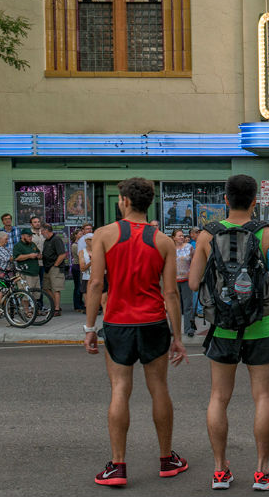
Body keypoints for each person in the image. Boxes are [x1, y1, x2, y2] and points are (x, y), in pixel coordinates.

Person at [189, 175, 269, 491]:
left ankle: (220, 471)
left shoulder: (208, 235)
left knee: (218, 397)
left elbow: (193, 283)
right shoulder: (268, 233)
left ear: (225, 200)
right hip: (259, 325)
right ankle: (262, 472)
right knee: (263, 396)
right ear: (253, 202)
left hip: (222, 326)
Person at [83, 177, 188, 486]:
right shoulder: (164, 241)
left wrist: (90, 327)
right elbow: (171, 294)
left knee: (119, 390)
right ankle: (167, 459)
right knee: (159, 388)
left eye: (119, 198)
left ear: (126, 201)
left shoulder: (103, 235)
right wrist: (178, 337)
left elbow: (96, 284)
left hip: (118, 323)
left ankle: (118, 465)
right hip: (154, 322)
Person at [172, 229, 195, 338]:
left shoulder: (189, 247)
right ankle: (174, 329)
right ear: (174, 238)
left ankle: (189, 328)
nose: (181, 237)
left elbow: (194, 261)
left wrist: (192, 274)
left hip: (186, 279)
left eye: (182, 236)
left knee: (188, 305)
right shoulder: (170, 248)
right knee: (176, 306)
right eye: (179, 236)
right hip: (174, 280)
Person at [40, 223, 67, 316]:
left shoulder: (56, 239)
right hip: (47, 267)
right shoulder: (46, 241)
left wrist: (55, 265)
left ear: (46, 230)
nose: (41, 233)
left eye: (42, 231)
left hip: (55, 268)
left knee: (56, 289)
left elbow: (63, 254)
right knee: (46, 288)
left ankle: (56, 309)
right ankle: (56, 304)